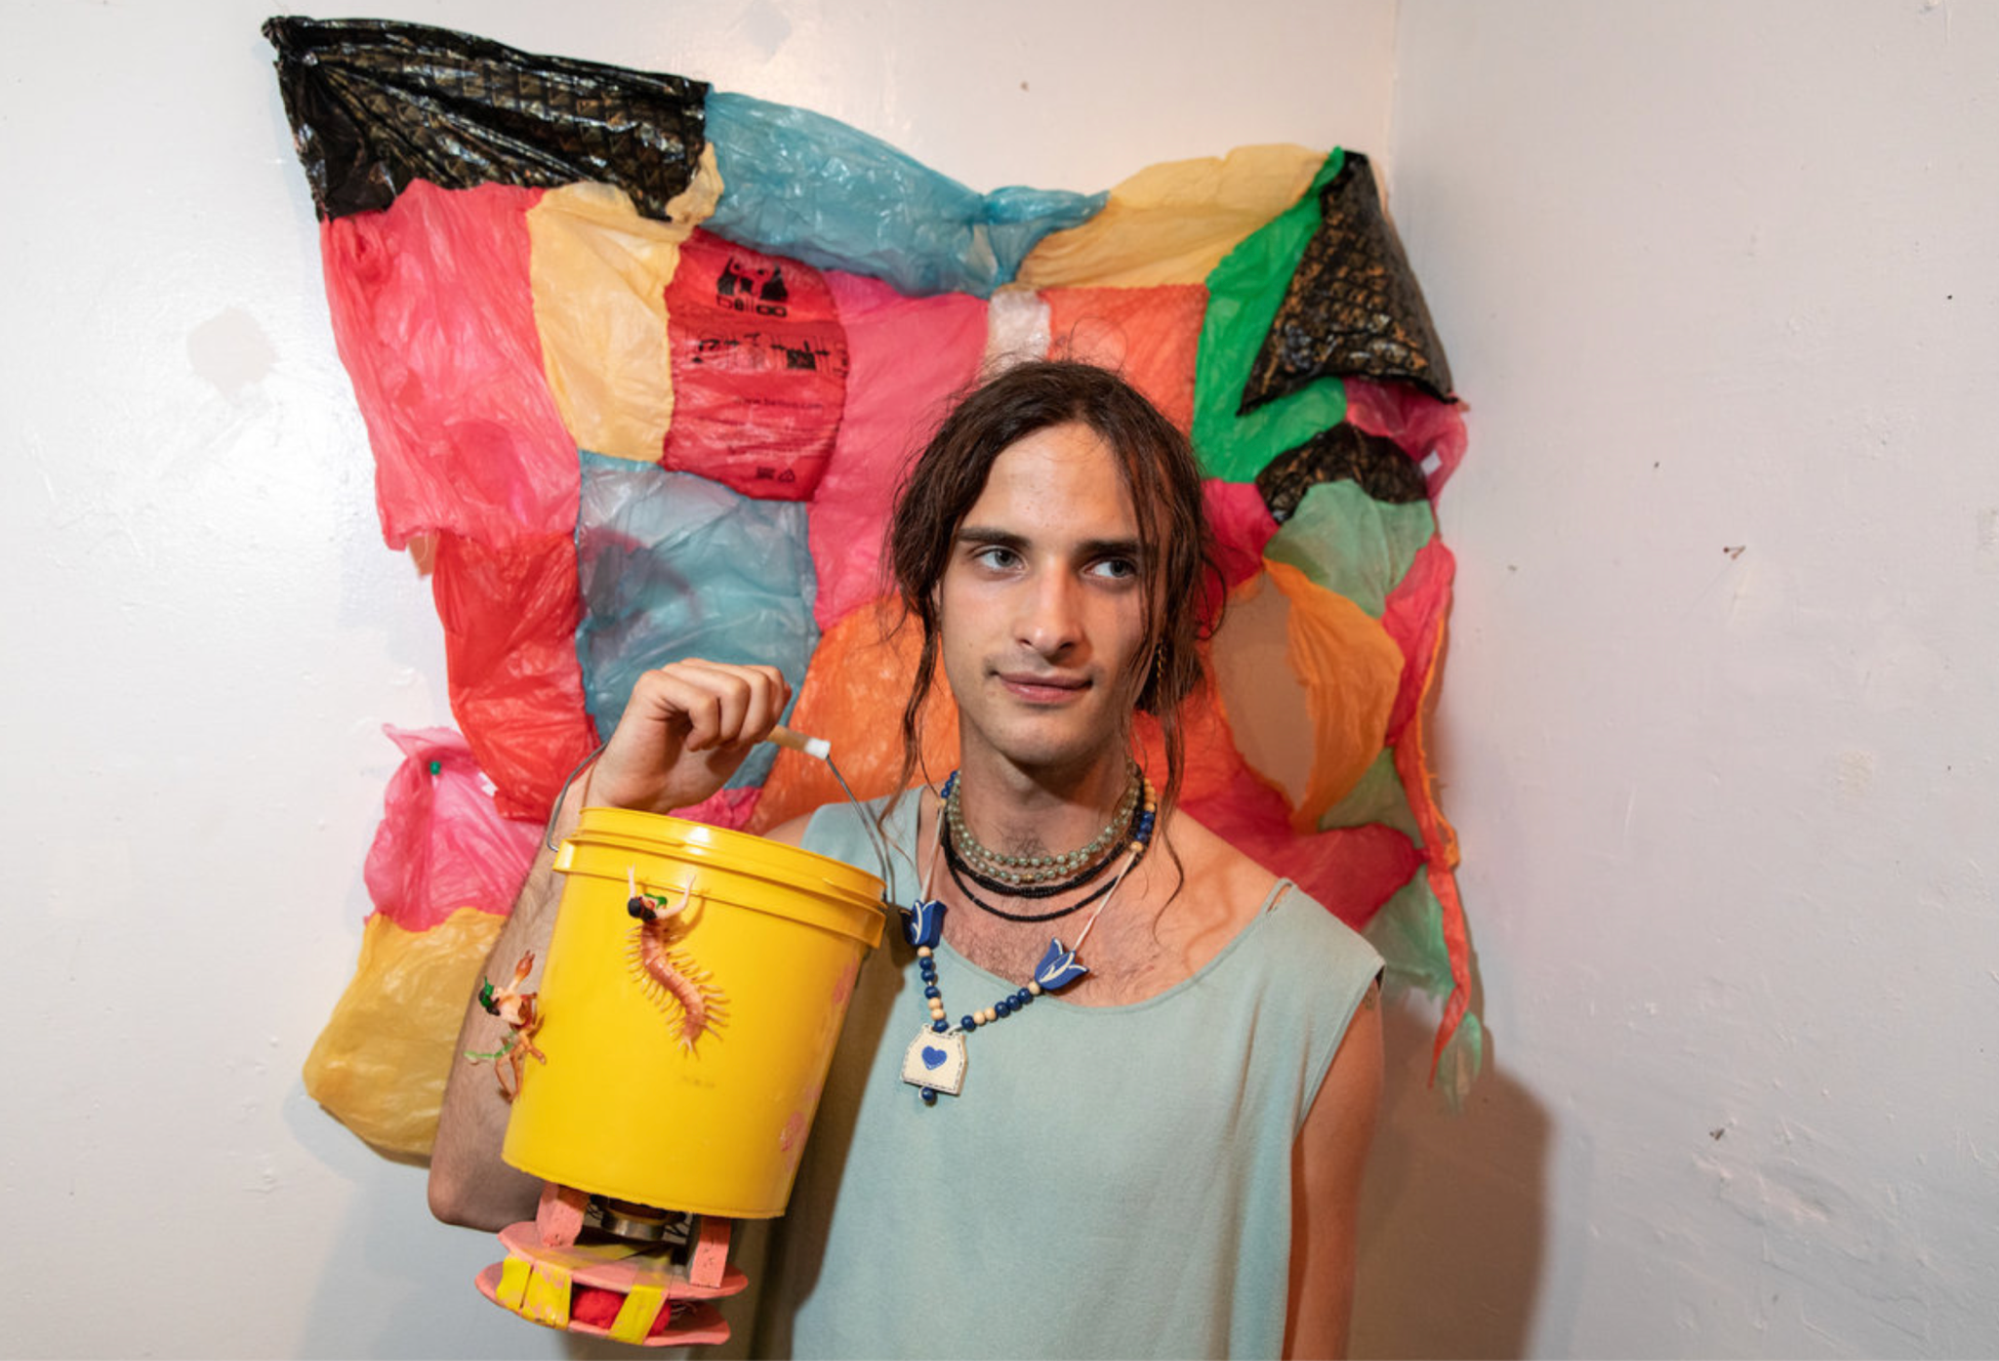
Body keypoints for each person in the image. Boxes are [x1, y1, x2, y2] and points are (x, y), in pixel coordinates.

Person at [430, 360, 1384, 1359]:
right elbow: (478, 1186)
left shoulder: (1303, 995)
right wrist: (590, 823)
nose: (1049, 624)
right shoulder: (794, 891)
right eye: (999, 555)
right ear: (930, 581)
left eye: (1111, 564)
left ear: (1166, 609)